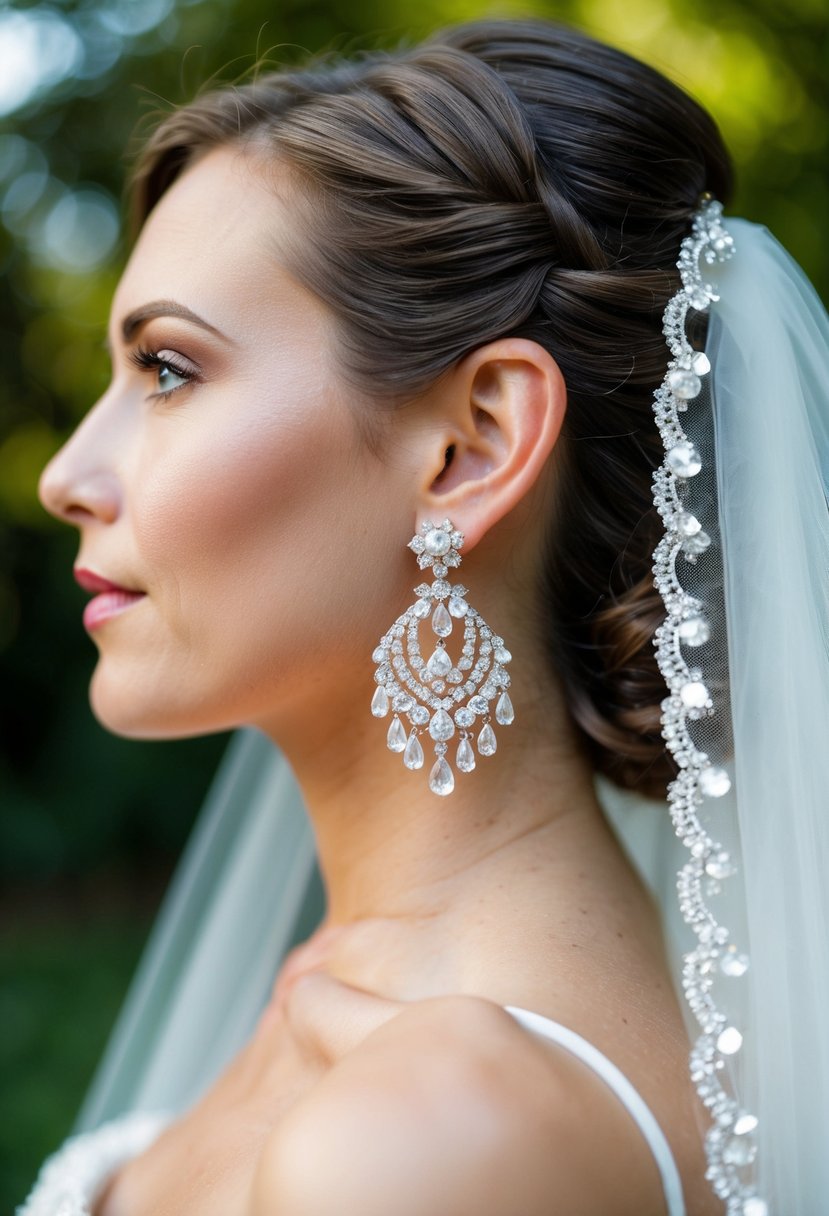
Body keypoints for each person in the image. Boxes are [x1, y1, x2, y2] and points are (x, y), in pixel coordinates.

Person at [21, 17, 829, 1216]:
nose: (66, 476)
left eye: (170, 370)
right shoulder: (352, 1005)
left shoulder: (435, 1141)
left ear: (472, 446)